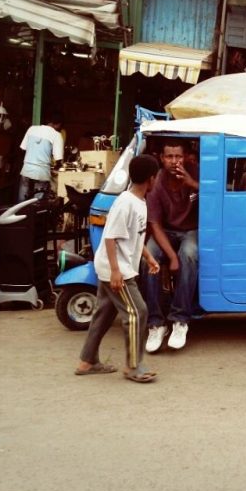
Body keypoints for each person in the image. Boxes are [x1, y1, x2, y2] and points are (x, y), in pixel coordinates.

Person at [75, 155, 161, 383]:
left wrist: (149, 257)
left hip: (118, 266)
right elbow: (111, 237)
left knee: (104, 313)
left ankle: (88, 361)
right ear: (151, 179)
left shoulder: (139, 201)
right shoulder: (125, 203)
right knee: (137, 312)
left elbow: (135, 237)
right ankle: (133, 366)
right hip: (117, 269)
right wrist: (115, 271)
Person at [142, 140, 199, 353]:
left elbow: (216, 195)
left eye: (178, 156)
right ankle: (156, 323)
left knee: (190, 254)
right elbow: (155, 224)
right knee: (149, 257)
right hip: (165, 231)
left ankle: (180, 319)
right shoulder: (156, 181)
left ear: (185, 157)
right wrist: (171, 257)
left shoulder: (196, 171)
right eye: (169, 157)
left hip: (192, 230)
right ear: (161, 158)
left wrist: (191, 183)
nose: (174, 161)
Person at [17, 111, 64, 202]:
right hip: (42, 171)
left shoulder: (31, 129)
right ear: (58, 124)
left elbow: (23, 148)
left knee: (23, 192)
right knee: (38, 197)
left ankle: (20, 212)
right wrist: (57, 166)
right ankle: (35, 213)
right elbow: (58, 159)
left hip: (27, 168)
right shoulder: (56, 135)